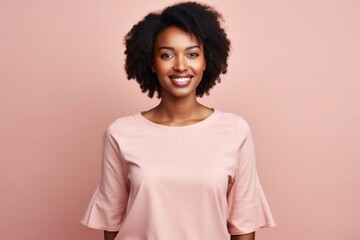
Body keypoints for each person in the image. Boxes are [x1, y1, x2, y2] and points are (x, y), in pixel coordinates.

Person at [81, 2, 276, 240]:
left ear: (206, 60)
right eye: (167, 55)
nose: (181, 65)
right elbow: (111, 224)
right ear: (152, 62)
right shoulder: (121, 133)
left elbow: (244, 226)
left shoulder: (235, 131)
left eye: (192, 54)